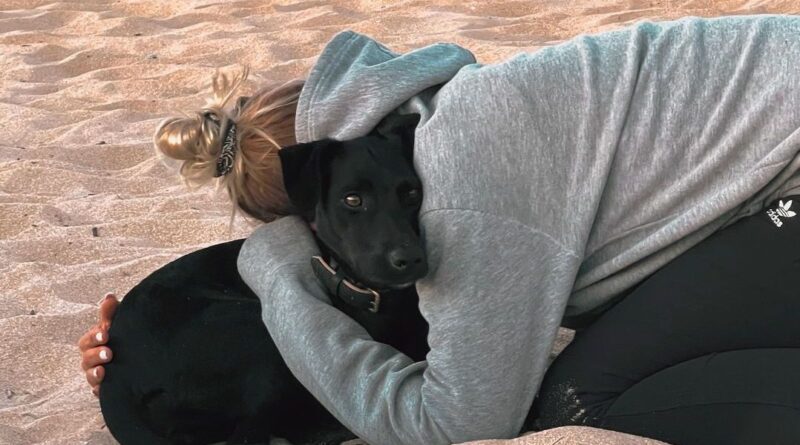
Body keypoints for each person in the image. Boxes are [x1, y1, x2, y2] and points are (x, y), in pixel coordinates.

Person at [80, 15, 800, 445]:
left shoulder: (463, 187)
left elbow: (458, 423)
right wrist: (142, 341)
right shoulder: (436, 113)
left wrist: (277, 281)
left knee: (579, 403)